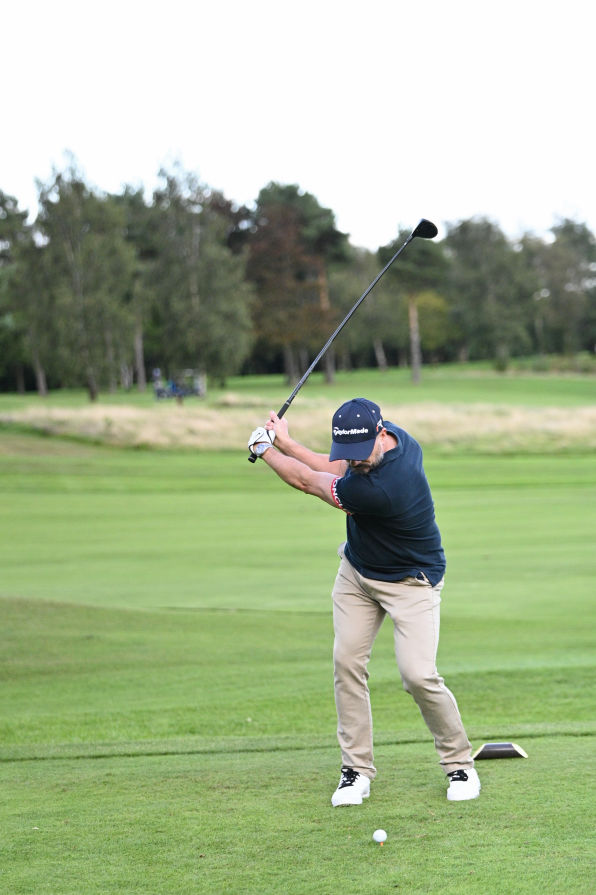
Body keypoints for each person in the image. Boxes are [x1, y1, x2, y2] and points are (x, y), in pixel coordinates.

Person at [248, 397, 480, 806]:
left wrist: (263, 449)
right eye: (348, 454)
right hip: (357, 574)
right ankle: (355, 771)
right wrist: (287, 442)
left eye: (358, 455)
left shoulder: (386, 485)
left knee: (418, 675)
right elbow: (335, 465)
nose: (353, 462)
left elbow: (310, 481)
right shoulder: (389, 440)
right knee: (346, 664)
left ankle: (459, 763)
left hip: (411, 582)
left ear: (379, 434)